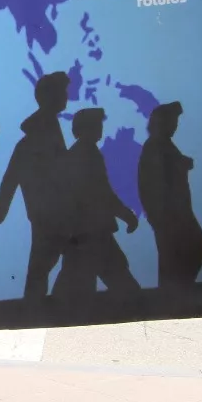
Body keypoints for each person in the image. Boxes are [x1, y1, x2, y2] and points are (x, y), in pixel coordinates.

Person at [0, 71, 72, 301]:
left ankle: (42, 307)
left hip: (56, 212)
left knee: (58, 263)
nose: (66, 96)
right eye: (61, 91)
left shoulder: (49, 130)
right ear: (49, 96)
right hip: (49, 214)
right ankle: (35, 311)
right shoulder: (35, 139)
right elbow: (11, 179)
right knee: (44, 266)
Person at [50, 108, 140, 301]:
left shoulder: (79, 153)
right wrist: (126, 215)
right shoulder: (87, 154)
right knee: (118, 278)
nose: (100, 128)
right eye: (97, 124)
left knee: (76, 280)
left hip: (81, 233)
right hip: (91, 232)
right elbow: (101, 192)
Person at [136, 101, 202, 287]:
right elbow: (155, 179)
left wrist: (182, 162)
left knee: (175, 256)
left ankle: (175, 290)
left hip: (175, 212)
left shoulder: (162, 144)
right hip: (170, 214)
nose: (175, 126)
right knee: (192, 247)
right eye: (172, 122)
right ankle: (176, 290)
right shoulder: (155, 145)